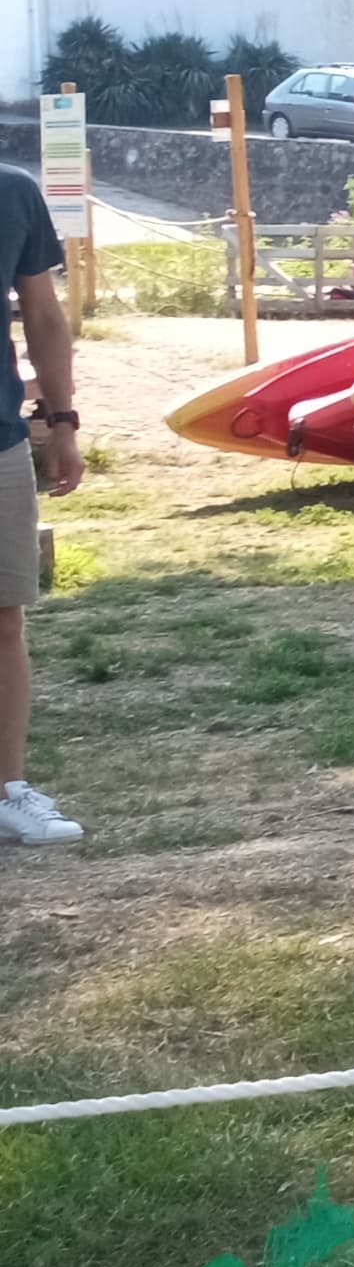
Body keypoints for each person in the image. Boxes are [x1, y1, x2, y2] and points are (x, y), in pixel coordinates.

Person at [0, 162, 80, 846]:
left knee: (3, 620)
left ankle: (8, 792)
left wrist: (63, 421)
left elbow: (45, 318)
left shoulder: (13, 192)